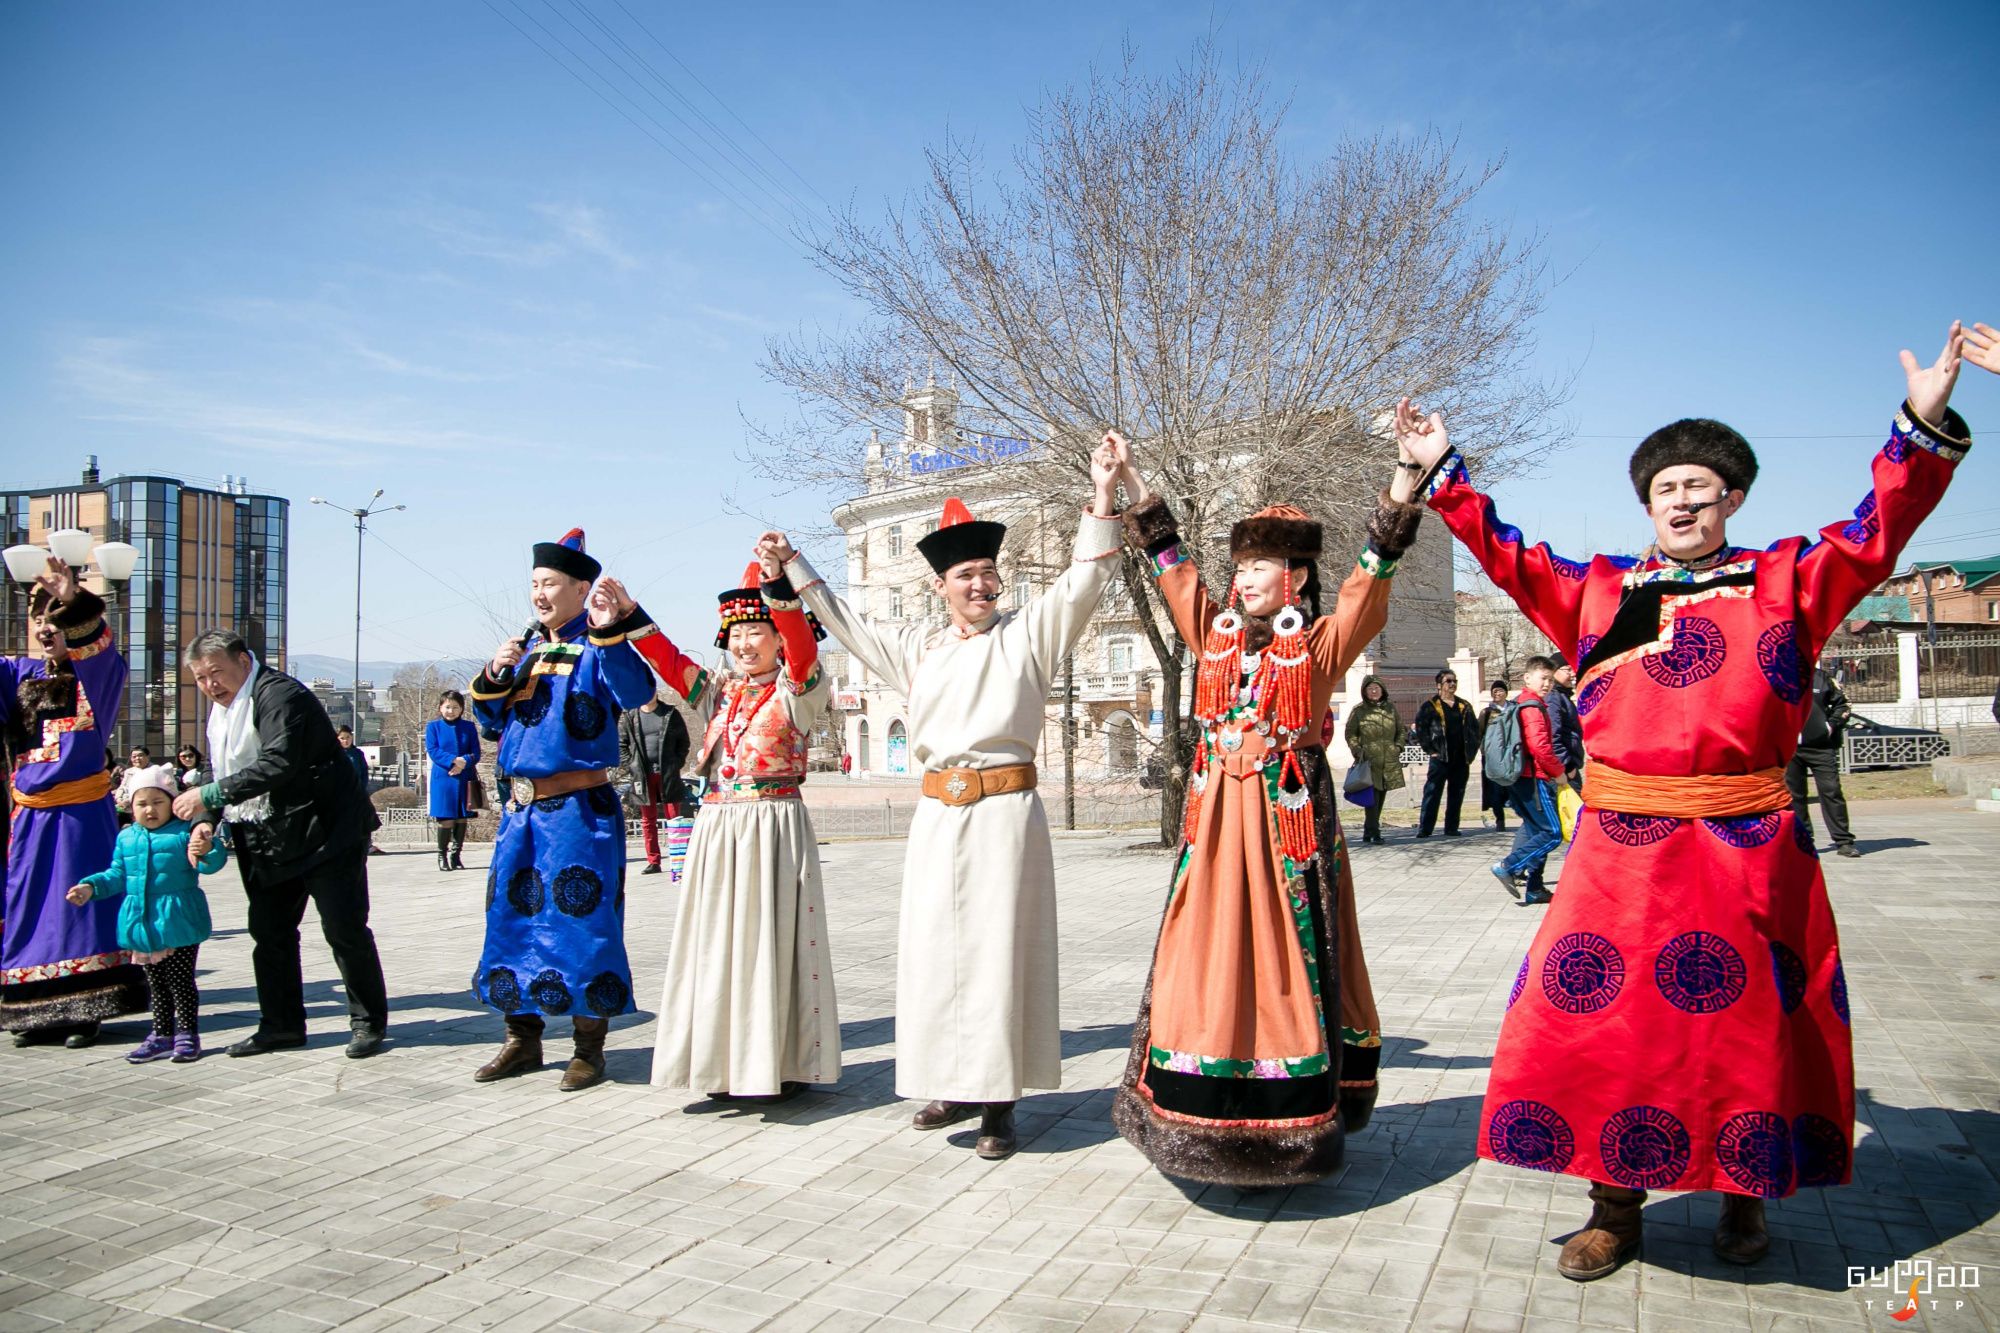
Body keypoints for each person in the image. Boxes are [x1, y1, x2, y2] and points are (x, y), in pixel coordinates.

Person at [1397, 322, 1972, 1281]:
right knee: (1603, 1027)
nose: (1680, 500)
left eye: (1698, 487)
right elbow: (1502, 554)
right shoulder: (1600, 591)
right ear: (1647, 505)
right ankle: (1613, 1207)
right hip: (1620, 846)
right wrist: (1441, 469)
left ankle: (1744, 1192)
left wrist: (1922, 418)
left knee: (1742, 1027)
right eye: (1664, 489)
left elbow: (1882, 529)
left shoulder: (1790, 577)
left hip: (1749, 840)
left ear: (1732, 498)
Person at [761, 432, 1129, 1160]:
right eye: (966, 575)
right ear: (941, 585)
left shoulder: (1028, 637)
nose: (981, 585)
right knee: (934, 953)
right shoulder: (917, 649)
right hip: (936, 817)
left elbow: (1084, 581)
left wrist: (1105, 494)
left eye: (990, 573)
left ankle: (997, 1102)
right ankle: (950, 1080)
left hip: (1004, 817)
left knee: (995, 954)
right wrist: (792, 563)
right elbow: (848, 624)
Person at [1110, 448, 1424, 1186]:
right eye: (1241, 566)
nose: (1243, 578)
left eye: (1260, 566)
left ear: (1298, 575)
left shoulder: (1320, 643)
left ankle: (1288, 1118)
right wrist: (1129, 486)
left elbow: (1370, 581)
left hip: (1287, 827)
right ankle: (1193, 1109)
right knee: (1206, 950)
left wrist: (1404, 486)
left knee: (1287, 954)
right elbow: (1173, 571)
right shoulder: (1214, 634)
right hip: (1216, 825)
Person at [626, 557, 838, 1100]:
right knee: (718, 944)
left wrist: (776, 589)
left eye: (758, 631)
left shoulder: (800, 687)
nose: (746, 644)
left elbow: (804, 644)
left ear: (777, 639)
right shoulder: (720, 692)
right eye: (738, 634)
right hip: (719, 825)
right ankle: (721, 1063)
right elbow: (671, 664)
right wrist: (629, 614)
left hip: (772, 826)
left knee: (772, 943)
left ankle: (780, 1062)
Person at [466, 528, 657, 1092]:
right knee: (511, 921)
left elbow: (637, 691)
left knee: (582, 924)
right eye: (533, 584)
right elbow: (491, 725)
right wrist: (495, 677)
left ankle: (588, 1050)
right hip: (519, 815)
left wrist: (610, 633)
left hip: (578, 812)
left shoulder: (598, 647)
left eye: (549, 583)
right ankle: (520, 1040)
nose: (539, 594)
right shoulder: (526, 650)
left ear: (580, 588)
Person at [173, 631, 390, 1059]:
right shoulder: (222, 716)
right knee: (269, 932)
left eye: (217, 672)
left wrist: (210, 798)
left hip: (326, 829)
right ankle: (281, 1025)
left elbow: (279, 760)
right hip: (266, 833)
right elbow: (223, 771)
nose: (211, 685)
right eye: (200, 678)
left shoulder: (280, 694)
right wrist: (205, 821)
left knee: (344, 929)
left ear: (243, 660)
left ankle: (368, 1021)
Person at [0, 558, 148, 1046]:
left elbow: (98, 648)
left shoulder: (97, 676)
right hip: (28, 817)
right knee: (28, 908)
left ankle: (87, 1010)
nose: (47, 630)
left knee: (79, 906)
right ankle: (32, 1013)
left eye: (56, 622)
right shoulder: (15, 675)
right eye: (39, 621)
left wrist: (73, 601)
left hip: (80, 814)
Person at [67, 768, 226, 1063]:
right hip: (140, 922)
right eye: (142, 804)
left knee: (180, 983)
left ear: (172, 803)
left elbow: (208, 864)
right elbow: (116, 874)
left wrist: (208, 848)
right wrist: (91, 887)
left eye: (158, 801)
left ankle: (188, 1034)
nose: (150, 809)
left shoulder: (182, 833)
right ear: (131, 807)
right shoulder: (127, 838)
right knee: (157, 984)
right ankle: (161, 1035)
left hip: (177, 920)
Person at [1491, 656, 1564, 906]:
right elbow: (1539, 747)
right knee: (1553, 833)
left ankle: (1535, 888)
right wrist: (1559, 772)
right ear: (1527, 678)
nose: (1547, 684)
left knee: (1536, 831)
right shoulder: (1532, 706)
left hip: (1520, 779)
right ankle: (1508, 866)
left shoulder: (1521, 702)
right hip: (1534, 780)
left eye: (1551, 680)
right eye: (1543, 678)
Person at [1786, 666, 1857, 858]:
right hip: (1789, 748)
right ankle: (1804, 841)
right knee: (1795, 796)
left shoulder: (1821, 678)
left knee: (1831, 790)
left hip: (1821, 748)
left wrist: (1829, 727)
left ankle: (1843, 841)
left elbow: (1844, 705)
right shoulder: (1777, 676)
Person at [618, 692, 690, 875]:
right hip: (642, 775)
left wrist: (676, 764)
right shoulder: (629, 715)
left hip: (667, 773)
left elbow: (684, 742)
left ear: (656, 693)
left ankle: (679, 860)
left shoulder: (670, 713)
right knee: (647, 820)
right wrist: (631, 766)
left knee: (674, 817)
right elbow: (621, 745)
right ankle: (653, 861)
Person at [1415, 668, 1478, 837]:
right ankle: (1425, 828)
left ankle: (1451, 827)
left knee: (1456, 794)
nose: (1452, 684)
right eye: (1448, 681)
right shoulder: (1430, 706)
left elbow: (1474, 730)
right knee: (1432, 793)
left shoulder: (1464, 706)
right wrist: (1431, 751)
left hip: (1460, 758)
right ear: (1439, 685)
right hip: (1440, 757)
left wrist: (1471, 753)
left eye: (1454, 681)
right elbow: (1421, 730)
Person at [1343, 676, 1404, 844]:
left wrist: (1397, 747)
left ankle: (1368, 830)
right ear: (1365, 691)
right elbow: (1350, 733)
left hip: (1388, 759)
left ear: (1383, 690)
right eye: (1370, 688)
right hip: (1369, 760)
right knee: (1372, 797)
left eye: (1377, 688)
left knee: (1382, 794)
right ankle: (1375, 832)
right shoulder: (1359, 710)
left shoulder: (1390, 708)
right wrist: (1357, 750)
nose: (1374, 691)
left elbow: (1401, 730)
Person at [425, 691, 482, 872]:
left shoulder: (469, 727)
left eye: (455, 707)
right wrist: (453, 760)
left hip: (465, 775)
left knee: (461, 817)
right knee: (445, 817)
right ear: (441, 708)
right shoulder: (433, 727)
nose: (451, 711)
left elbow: (476, 752)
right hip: (444, 777)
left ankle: (456, 856)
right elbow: (433, 750)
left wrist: (463, 762)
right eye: (447, 707)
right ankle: (442, 855)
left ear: (461, 709)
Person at [335, 727, 383, 856]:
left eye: (348, 738)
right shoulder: (333, 753)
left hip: (356, 793)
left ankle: (366, 845)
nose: (345, 741)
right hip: (339, 794)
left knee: (362, 819)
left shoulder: (357, 753)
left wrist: (360, 788)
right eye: (342, 738)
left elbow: (364, 773)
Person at [1477, 680, 1512, 830]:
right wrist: (1484, 750)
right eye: (1494, 691)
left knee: (1514, 788)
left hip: (1511, 755)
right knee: (1495, 789)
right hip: (1493, 757)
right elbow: (1479, 733)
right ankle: (1500, 820)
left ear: (1506, 692)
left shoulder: (1514, 709)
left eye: (1500, 690)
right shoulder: (1487, 712)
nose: (1497, 693)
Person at [1547, 657, 1586, 787]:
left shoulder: (1562, 696)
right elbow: (1553, 735)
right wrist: (1568, 766)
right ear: (1554, 672)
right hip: (1563, 770)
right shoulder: (1553, 697)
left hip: (1568, 766)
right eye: (1568, 670)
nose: (1573, 674)